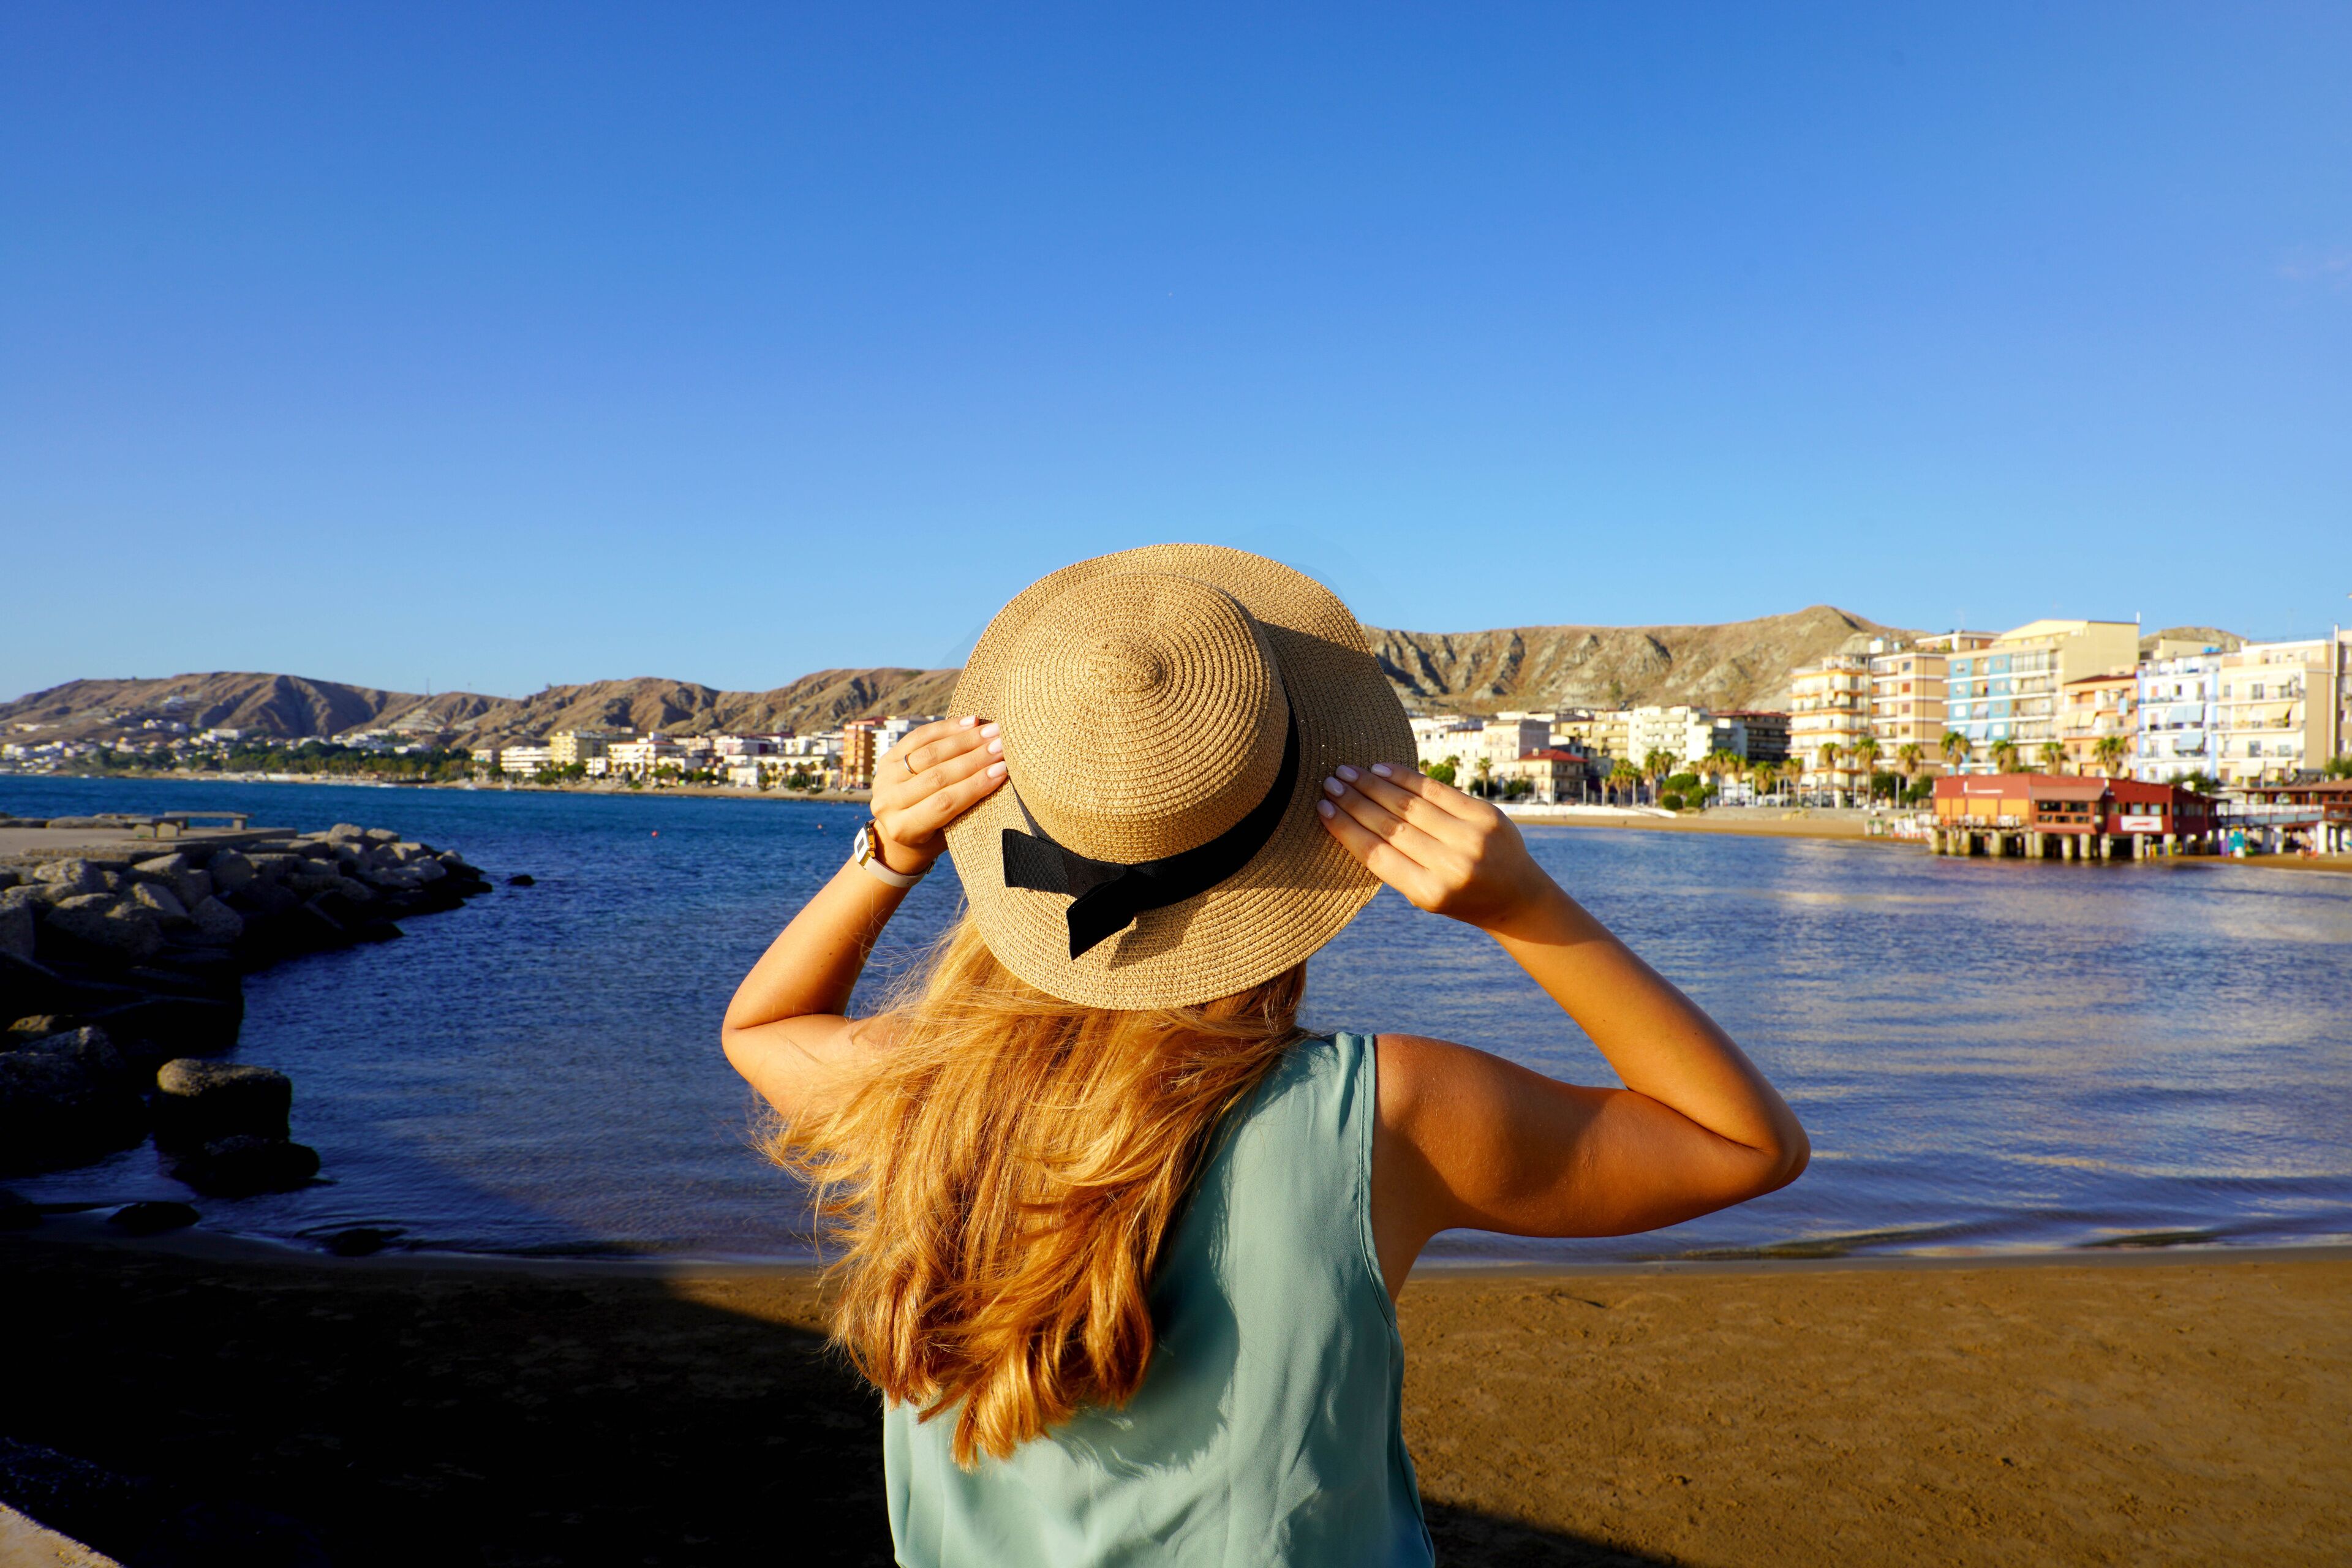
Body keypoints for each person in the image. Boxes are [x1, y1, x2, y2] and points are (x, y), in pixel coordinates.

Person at [723, 545, 1807, 1566]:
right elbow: (1742, 1145)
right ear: (1311, 831)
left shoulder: (922, 1092)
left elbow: (760, 1029)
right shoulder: (1385, 1115)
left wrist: (885, 855)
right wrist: (1524, 908)